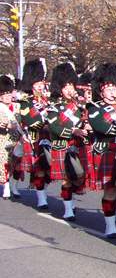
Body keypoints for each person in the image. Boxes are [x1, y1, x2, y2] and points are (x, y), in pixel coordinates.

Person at [87, 62, 116, 239]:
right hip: (107, 150)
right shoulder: (95, 108)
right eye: (108, 90)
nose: (112, 92)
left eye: (114, 89)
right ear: (101, 93)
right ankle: (109, 225)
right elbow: (100, 127)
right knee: (111, 189)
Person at [46, 63, 92, 222]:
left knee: (79, 178)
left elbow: (89, 120)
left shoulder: (81, 105)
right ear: (60, 89)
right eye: (65, 87)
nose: (69, 90)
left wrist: (88, 126)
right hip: (63, 145)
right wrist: (73, 131)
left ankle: (70, 198)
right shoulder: (54, 108)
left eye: (71, 86)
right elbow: (54, 128)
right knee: (67, 178)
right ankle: (67, 209)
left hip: (79, 145)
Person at [18, 59, 52, 210]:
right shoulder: (25, 102)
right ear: (31, 84)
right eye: (37, 83)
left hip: (49, 137)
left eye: (41, 82)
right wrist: (45, 126)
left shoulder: (47, 101)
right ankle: (41, 198)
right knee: (40, 169)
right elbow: (28, 119)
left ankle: (43, 191)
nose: (40, 86)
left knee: (50, 169)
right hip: (34, 138)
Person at [0, 76, 22, 199]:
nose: (7, 97)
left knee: (17, 164)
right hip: (3, 139)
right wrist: (6, 126)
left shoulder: (18, 106)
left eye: (9, 94)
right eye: (4, 95)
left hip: (17, 139)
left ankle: (14, 186)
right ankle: (6, 187)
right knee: (6, 164)